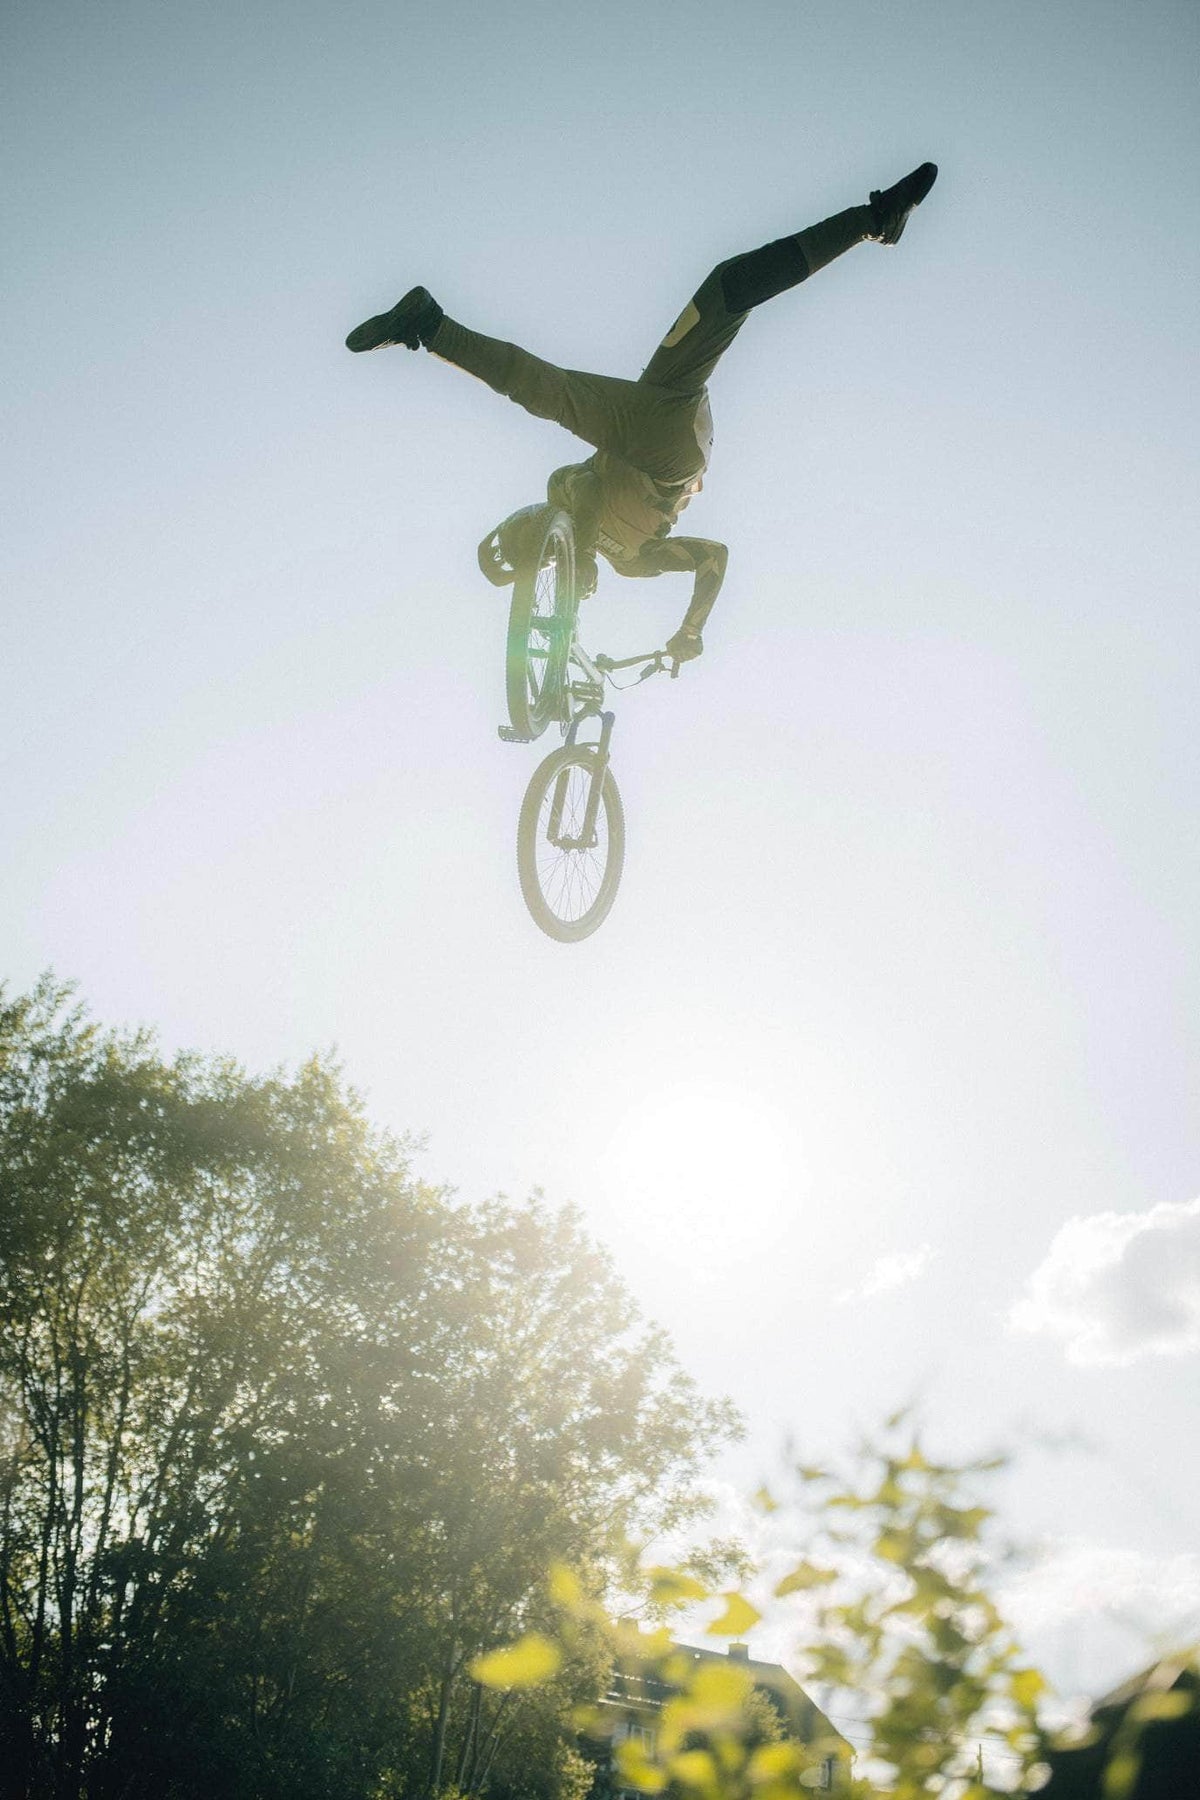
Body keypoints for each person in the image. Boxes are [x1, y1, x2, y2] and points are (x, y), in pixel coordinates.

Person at [346, 163, 938, 663]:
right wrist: (690, 631)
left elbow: (569, 498)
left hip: (667, 401)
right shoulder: (635, 561)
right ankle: (430, 326)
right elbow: (713, 558)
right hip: (670, 458)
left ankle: (874, 220)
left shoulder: (570, 492)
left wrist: (562, 553)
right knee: (558, 399)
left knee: (729, 288)